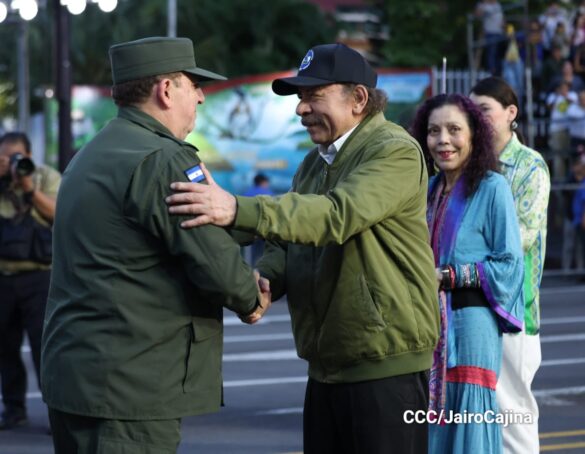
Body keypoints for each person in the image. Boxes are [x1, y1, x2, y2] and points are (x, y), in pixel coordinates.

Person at [166, 43, 440, 454]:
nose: (300, 108)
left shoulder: (394, 150)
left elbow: (335, 215)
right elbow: (286, 241)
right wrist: (267, 282)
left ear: (358, 99)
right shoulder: (313, 163)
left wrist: (235, 208)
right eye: (300, 97)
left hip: (385, 366)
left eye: (313, 96)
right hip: (328, 366)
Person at [40, 37, 271, 453]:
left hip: (76, 375)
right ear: (166, 90)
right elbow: (214, 261)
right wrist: (249, 297)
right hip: (130, 385)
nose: (200, 97)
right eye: (192, 85)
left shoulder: (91, 154)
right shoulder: (163, 158)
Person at [411, 93, 524, 454]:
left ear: (474, 135)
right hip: (428, 327)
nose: (443, 140)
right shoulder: (426, 191)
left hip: (472, 329)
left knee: (469, 422)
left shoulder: (493, 187)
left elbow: (510, 264)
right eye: (433, 131)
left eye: (454, 130)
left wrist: (449, 276)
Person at [470, 76, 551, 454]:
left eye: (484, 110)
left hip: (513, 311)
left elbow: (520, 239)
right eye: (472, 111)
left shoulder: (529, 165)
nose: (477, 119)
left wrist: (464, 248)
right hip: (470, 308)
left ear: (511, 113)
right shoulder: (471, 163)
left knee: (513, 421)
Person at [0, 132, 60, 430]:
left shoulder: (45, 177)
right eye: (5, 158)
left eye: (17, 158)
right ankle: (13, 409)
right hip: (3, 276)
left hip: (40, 275)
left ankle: (57, 412)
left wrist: (28, 188)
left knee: (45, 348)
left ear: (29, 155)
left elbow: (59, 214)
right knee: (5, 347)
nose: (12, 164)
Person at [475, 0, 505, 75]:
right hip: (490, 32)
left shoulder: (497, 4)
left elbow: (502, 18)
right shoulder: (482, 5)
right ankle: (492, 73)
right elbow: (478, 15)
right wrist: (483, 5)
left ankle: (498, 73)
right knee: (492, 54)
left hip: (499, 32)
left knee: (498, 54)